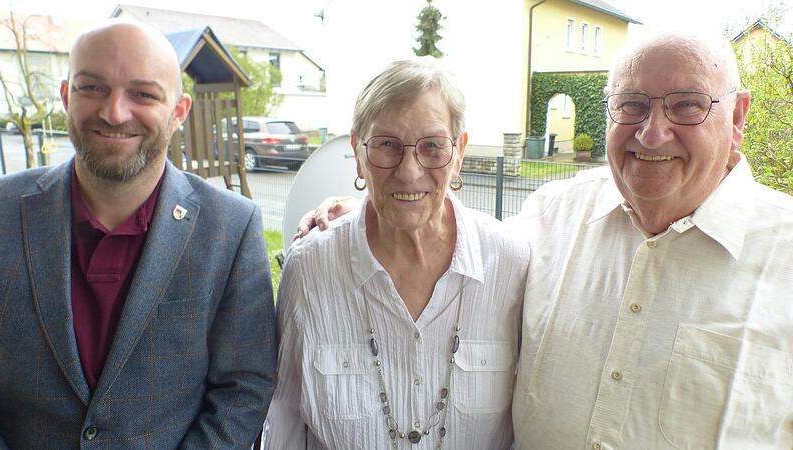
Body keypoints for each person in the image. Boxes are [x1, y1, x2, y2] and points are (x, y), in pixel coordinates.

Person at [295, 31, 793, 449]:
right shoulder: (549, 220)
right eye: (631, 105)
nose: (652, 131)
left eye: (688, 105)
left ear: (738, 118)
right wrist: (375, 207)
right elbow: (434, 229)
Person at [0, 20, 276, 449]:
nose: (115, 112)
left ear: (178, 112)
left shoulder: (231, 228)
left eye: (143, 94)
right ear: (67, 96)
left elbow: (245, 388)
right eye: (93, 88)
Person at [265, 59, 529, 449]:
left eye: (432, 147)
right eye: (387, 145)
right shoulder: (311, 268)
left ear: (459, 153)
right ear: (357, 152)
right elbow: (284, 422)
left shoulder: (510, 263)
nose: (409, 171)